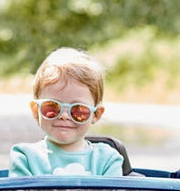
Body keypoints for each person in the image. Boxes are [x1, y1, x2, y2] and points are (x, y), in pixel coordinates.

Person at [9, 47, 124, 176]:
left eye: (78, 110)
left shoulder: (107, 160)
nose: (64, 116)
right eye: (52, 107)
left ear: (96, 114)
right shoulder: (25, 157)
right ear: (36, 110)